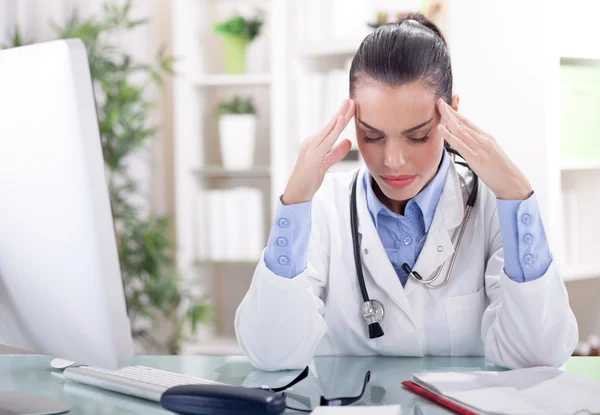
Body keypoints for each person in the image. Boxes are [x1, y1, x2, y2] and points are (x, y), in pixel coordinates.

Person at [235, 13, 578, 371]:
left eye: (417, 137)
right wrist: (294, 204)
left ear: (452, 115)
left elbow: (539, 356)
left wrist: (517, 197)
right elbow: (270, 353)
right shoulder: (322, 207)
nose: (393, 161)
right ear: (352, 120)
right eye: (372, 136)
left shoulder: (494, 206)